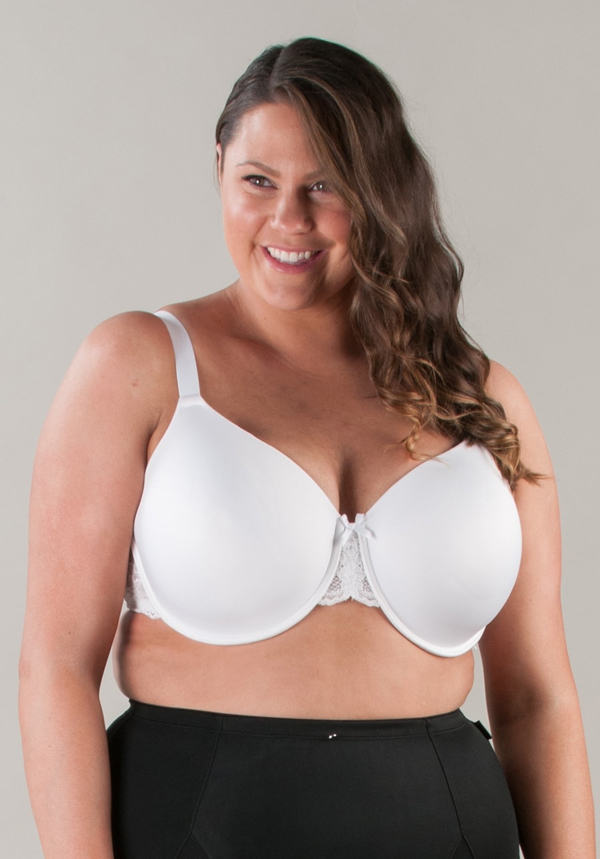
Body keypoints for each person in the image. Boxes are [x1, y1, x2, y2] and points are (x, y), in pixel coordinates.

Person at [19, 36, 595, 859]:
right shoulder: (138, 365)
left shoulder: (482, 396)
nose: (289, 220)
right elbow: (55, 666)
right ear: (219, 168)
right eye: (258, 181)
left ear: (380, 191)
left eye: (324, 186)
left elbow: (539, 698)